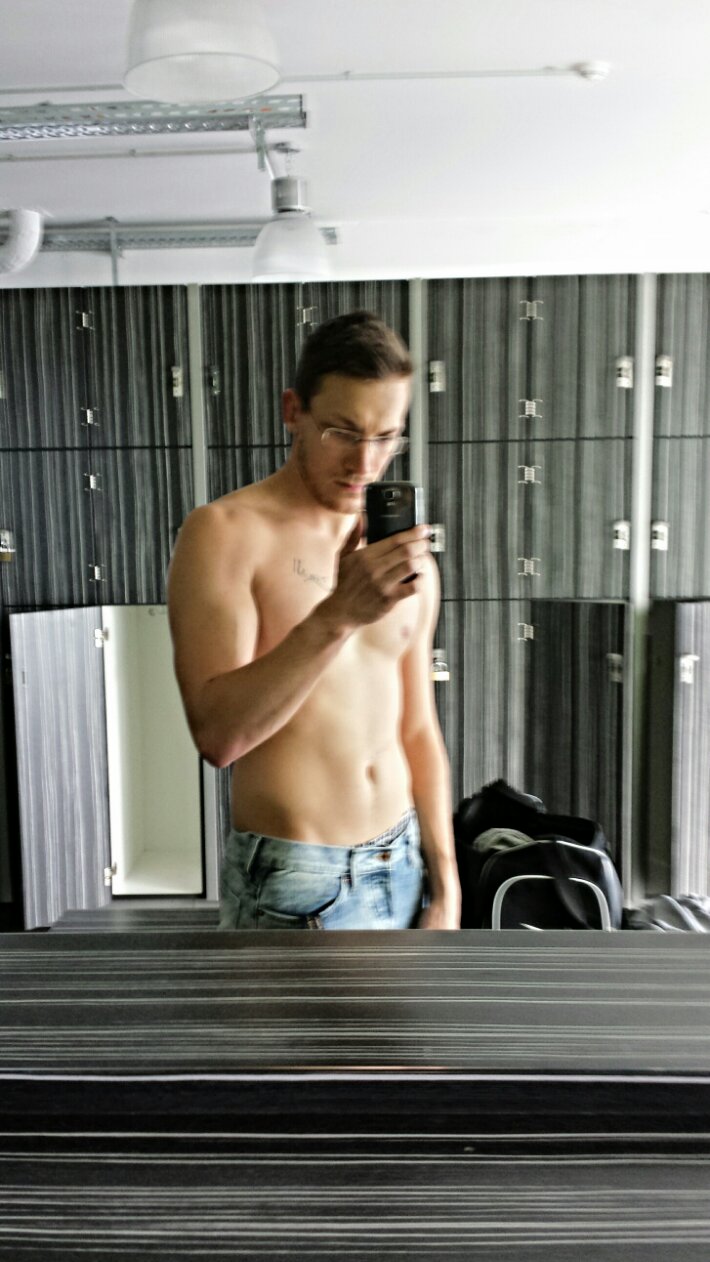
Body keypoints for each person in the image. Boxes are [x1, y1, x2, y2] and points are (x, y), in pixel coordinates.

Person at [167, 310, 461, 931]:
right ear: (293, 411)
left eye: (387, 437)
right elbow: (217, 736)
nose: (365, 463)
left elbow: (417, 729)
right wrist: (336, 615)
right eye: (342, 432)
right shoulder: (224, 533)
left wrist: (447, 882)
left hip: (403, 858)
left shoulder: (406, 560)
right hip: (298, 881)